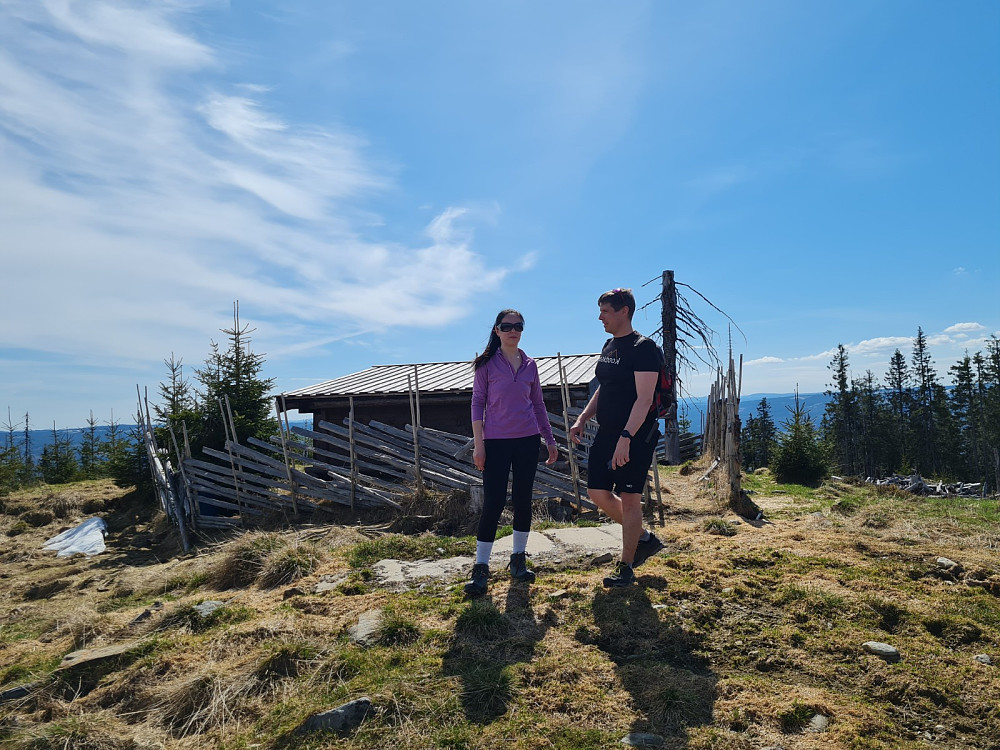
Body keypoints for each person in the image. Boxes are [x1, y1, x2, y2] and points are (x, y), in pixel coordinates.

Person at [569, 288, 665, 587]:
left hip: (634, 434)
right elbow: (604, 387)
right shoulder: (610, 345)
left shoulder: (644, 348)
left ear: (624, 311)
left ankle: (626, 565)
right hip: (608, 432)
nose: (600, 317)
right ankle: (644, 539)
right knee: (597, 492)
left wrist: (626, 437)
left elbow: (644, 398)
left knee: (630, 499)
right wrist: (584, 417)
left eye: (605, 311)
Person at [467, 309, 559, 597]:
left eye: (518, 326)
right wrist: (479, 445)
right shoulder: (486, 365)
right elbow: (477, 404)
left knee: (523, 499)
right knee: (493, 502)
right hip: (495, 442)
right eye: (506, 326)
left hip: (527, 440)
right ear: (497, 331)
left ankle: (518, 560)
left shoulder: (530, 365)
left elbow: (539, 404)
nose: (513, 330)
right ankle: (481, 567)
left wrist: (550, 439)